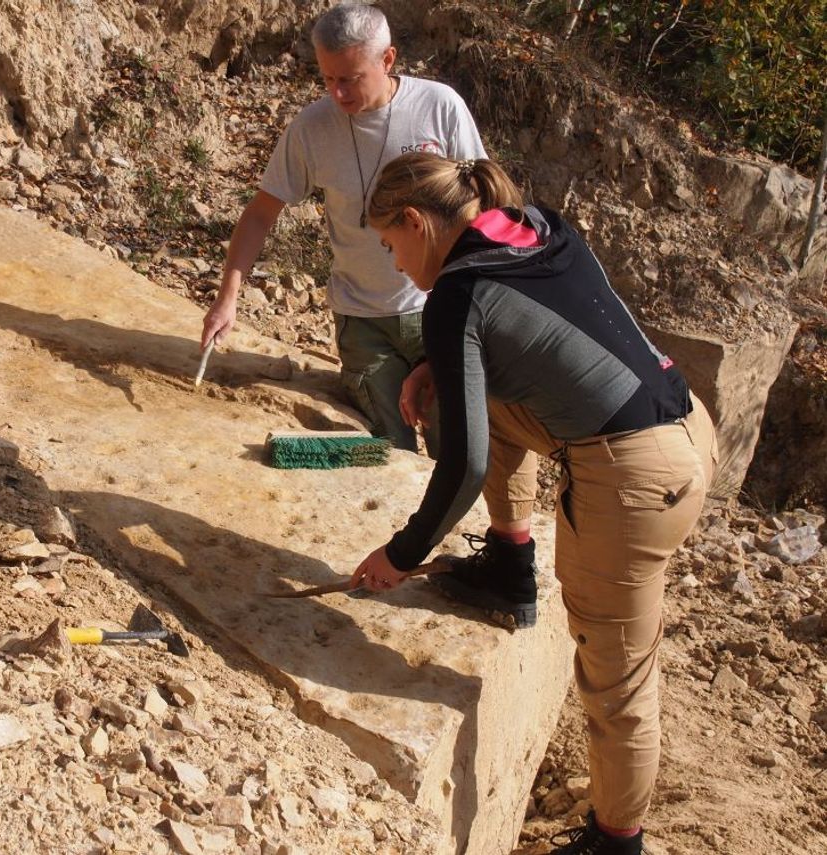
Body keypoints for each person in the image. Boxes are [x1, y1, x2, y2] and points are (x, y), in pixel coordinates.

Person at [349, 152, 718, 854]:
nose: (396, 264)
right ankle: (510, 568)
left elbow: (463, 465)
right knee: (464, 393)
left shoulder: (454, 295)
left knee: (616, 678)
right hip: (687, 422)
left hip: (637, 478)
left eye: (391, 245)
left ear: (416, 222)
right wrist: (440, 363)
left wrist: (401, 554)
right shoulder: (533, 223)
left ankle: (616, 842)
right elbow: (538, 332)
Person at [200, 3, 486, 455]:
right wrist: (227, 297)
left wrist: (476, 300)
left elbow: (482, 207)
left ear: (387, 60)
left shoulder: (439, 107)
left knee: (455, 444)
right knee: (389, 451)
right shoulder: (312, 127)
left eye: (350, 78)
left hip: (439, 307)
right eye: (328, 78)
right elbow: (260, 213)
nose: (338, 94)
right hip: (361, 321)